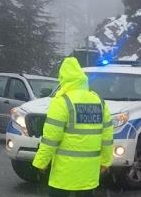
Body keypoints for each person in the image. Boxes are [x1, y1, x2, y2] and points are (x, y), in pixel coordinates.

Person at [32, 57, 113, 196]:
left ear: (63, 78)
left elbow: (51, 138)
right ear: (82, 78)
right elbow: (107, 137)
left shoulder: (62, 102)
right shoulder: (99, 101)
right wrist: (106, 161)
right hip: (89, 173)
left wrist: (41, 162)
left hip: (64, 173)